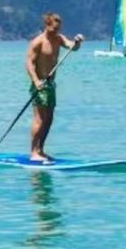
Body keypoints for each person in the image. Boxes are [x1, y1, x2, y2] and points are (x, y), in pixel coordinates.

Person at [26, 12, 84, 163]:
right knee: (39, 119)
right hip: (40, 84)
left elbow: (72, 47)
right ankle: (33, 152)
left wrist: (77, 42)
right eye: (53, 29)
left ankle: (41, 150)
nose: (56, 32)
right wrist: (36, 81)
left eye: (58, 29)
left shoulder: (58, 39)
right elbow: (29, 64)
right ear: (47, 25)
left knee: (49, 119)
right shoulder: (38, 42)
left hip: (51, 85)